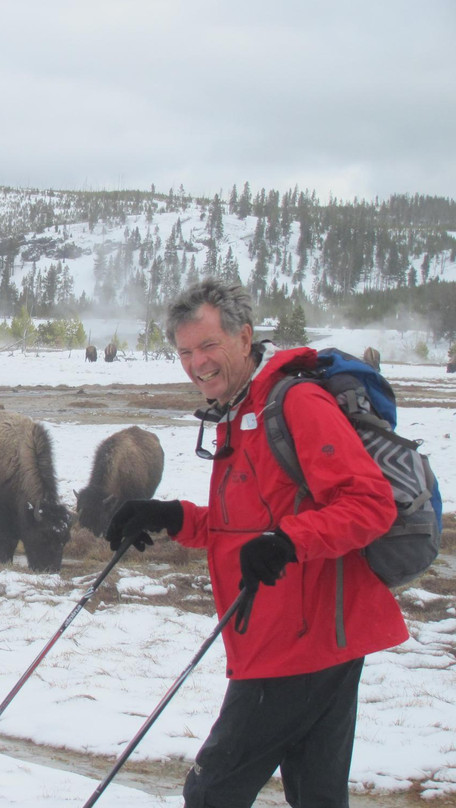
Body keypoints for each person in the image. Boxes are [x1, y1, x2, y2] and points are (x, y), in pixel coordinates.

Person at [105, 279, 408, 808]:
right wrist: (171, 515)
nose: (197, 363)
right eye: (184, 352)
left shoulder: (295, 404)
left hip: (297, 640)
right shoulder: (239, 411)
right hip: (315, 638)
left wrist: (288, 542)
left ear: (244, 338)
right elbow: (244, 528)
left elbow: (371, 504)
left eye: (208, 346)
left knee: (211, 794)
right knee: (317, 798)